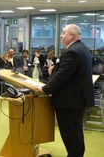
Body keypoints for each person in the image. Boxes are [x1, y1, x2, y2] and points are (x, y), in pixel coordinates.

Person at [34, 24, 94, 157]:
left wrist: (45, 88)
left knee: (71, 135)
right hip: (76, 99)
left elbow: (62, 75)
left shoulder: (73, 51)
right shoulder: (82, 48)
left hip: (69, 101)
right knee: (76, 133)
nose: (61, 35)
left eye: (63, 33)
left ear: (71, 35)